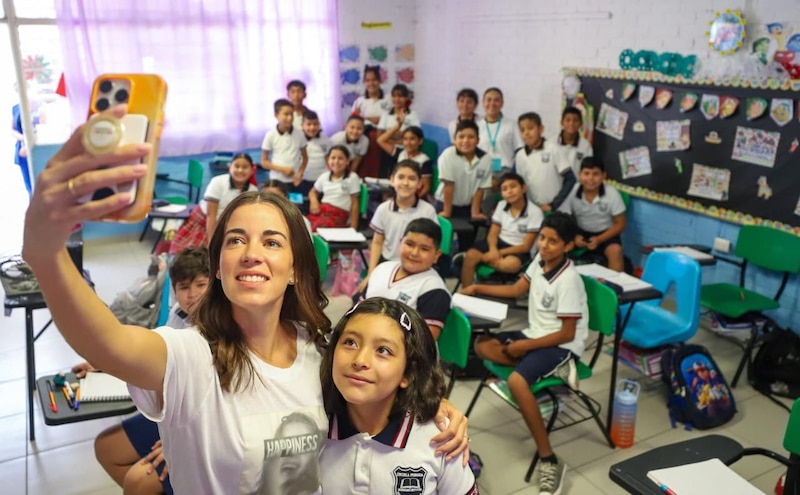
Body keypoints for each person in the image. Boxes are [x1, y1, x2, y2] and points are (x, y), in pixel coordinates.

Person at [24, 106, 469, 493]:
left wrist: (437, 411)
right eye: (236, 240)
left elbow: (378, 392)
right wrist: (46, 255)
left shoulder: (320, 350)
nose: (252, 252)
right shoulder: (190, 354)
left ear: (295, 268)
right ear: (218, 265)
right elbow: (109, 343)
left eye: (272, 242)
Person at [459, 212, 587, 495]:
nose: (544, 245)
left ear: (567, 246)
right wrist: (479, 287)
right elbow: (517, 288)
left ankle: (549, 459)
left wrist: (523, 347)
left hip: (562, 345)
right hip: (535, 334)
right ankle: (541, 366)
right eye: (542, 238)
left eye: (553, 242)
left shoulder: (569, 279)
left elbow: (567, 333)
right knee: (481, 345)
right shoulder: (539, 262)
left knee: (517, 381)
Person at [83, 246, 210, 495]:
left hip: (198, 427)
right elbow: (155, 360)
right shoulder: (178, 315)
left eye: (201, 285)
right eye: (184, 287)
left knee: (138, 481)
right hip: (171, 414)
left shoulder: (221, 327)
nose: (192, 295)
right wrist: (104, 366)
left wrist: (176, 442)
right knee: (106, 448)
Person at [319, 298, 478, 494]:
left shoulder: (440, 438)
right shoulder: (312, 427)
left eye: (383, 350)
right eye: (350, 342)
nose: (360, 360)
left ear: (408, 373)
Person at [359, 160, 438, 293]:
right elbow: (377, 242)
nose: (406, 183)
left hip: (415, 265)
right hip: (387, 263)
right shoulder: (383, 209)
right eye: (401, 177)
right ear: (392, 180)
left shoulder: (427, 211)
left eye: (412, 178)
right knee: (363, 298)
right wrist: (371, 273)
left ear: (419, 183)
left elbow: (431, 246)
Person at [362, 220, 450, 339]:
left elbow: (424, 342)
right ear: (400, 243)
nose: (414, 253)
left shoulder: (434, 290)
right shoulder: (381, 269)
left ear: (436, 255)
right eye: (409, 244)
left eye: (424, 249)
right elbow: (358, 310)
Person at [458, 173, 541, 289]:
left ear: (523, 188)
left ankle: (484, 275)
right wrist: (493, 250)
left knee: (510, 265)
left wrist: (498, 254)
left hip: (518, 248)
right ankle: (465, 293)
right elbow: (492, 234)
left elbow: (526, 246)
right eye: (504, 189)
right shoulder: (501, 205)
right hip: (498, 244)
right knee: (471, 256)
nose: (509, 191)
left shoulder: (535, 212)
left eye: (513, 186)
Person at [559, 157, 627, 272]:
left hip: (605, 234)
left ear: (603, 176)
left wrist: (599, 239)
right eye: (586, 173)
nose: (590, 178)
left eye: (596, 174)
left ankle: (616, 288)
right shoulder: (572, 190)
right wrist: (574, 236)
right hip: (580, 231)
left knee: (615, 250)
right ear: (580, 174)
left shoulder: (612, 194)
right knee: (558, 245)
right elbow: (564, 218)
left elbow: (621, 224)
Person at [434, 119, 491, 249]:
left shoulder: (485, 159)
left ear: (478, 139)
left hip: (468, 207)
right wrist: (447, 211)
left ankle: (462, 264)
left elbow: (480, 188)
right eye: (461, 137)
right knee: (440, 244)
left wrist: (475, 212)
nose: (465, 141)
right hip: (445, 204)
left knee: (467, 245)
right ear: (454, 139)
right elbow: (449, 185)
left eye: (471, 137)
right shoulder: (448, 155)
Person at [514, 112, 575, 213]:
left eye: (530, 128)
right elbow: (521, 185)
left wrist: (554, 205)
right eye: (522, 130)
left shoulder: (553, 149)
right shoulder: (520, 155)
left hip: (555, 210)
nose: (526, 133)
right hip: (533, 211)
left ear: (541, 129)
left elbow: (570, 179)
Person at [205, 152, 258, 241]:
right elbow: (211, 215)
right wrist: (211, 241)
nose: (240, 170)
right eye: (236, 166)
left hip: (233, 227)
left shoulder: (254, 191)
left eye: (245, 167)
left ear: (252, 170)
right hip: (209, 224)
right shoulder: (217, 182)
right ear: (230, 167)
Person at [307, 145, 361, 231]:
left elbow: (355, 203)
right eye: (333, 158)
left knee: (317, 228)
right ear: (328, 160)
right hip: (322, 211)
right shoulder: (324, 176)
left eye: (340, 158)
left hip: (338, 214)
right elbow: (313, 192)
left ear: (347, 161)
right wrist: (314, 201)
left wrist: (353, 228)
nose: (336, 161)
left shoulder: (352, 177)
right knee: (303, 224)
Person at [351, 65, 391, 179]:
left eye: (374, 80)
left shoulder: (388, 99)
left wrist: (365, 117)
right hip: (363, 138)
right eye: (368, 80)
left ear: (379, 81)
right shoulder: (360, 101)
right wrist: (374, 118)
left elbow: (388, 119)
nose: (371, 83)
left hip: (383, 138)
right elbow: (353, 121)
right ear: (364, 82)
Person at [261, 98, 309, 192]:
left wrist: (300, 174)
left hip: (295, 181)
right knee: (277, 204)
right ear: (276, 115)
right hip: (276, 181)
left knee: (295, 205)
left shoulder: (299, 134)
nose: (290, 118)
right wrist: (283, 169)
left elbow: (305, 158)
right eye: (286, 114)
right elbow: (264, 161)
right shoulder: (270, 135)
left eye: (291, 114)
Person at [376, 84, 422, 178]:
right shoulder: (386, 115)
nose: (397, 99)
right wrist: (398, 137)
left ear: (406, 98)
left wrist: (389, 134)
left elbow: (414, 135)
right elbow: (380, 137)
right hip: (387, 149)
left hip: (406, 150)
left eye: (400, 96)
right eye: (394, 96)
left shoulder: (413, 115)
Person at [377, 124, 433, 198]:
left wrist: (413, 201)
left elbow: (426, 188)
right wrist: (397, 126)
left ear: (420, 141)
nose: (408, 143)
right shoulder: (400, 153)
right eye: (405, 139)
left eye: (412, 139)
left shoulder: (424, 160)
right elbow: (380, 140)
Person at [478, 87, 520, 174]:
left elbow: (519, 150)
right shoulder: (477, 126)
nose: (492, 103)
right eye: (488, 100)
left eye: (496, 100)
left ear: (502, 104)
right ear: (483, 103)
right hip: (481, 170)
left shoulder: (512, 125)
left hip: (505, 171)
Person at [299, 110, 332, 196]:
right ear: (302, 126)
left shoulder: (326, 140)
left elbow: (328, 159)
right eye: (309, 124)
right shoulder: (297, 140)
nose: (312, 127)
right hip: (303, 179)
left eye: (315, 124)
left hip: (321, 178)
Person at [557, 106, 593, 176]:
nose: (571, 124)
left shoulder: (585, 146)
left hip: (576, 185)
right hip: (555, 185)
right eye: (568, 120)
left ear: (581, 123)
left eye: (575, 120)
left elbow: (588, 169)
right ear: (561, 122)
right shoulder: (551, 143)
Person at [12, 103, 32, 195]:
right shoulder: (15, 108)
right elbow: (12, 129)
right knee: (29, 186)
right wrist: (23, 138)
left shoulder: (35, 105)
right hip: (22, 149)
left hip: (33, 147)